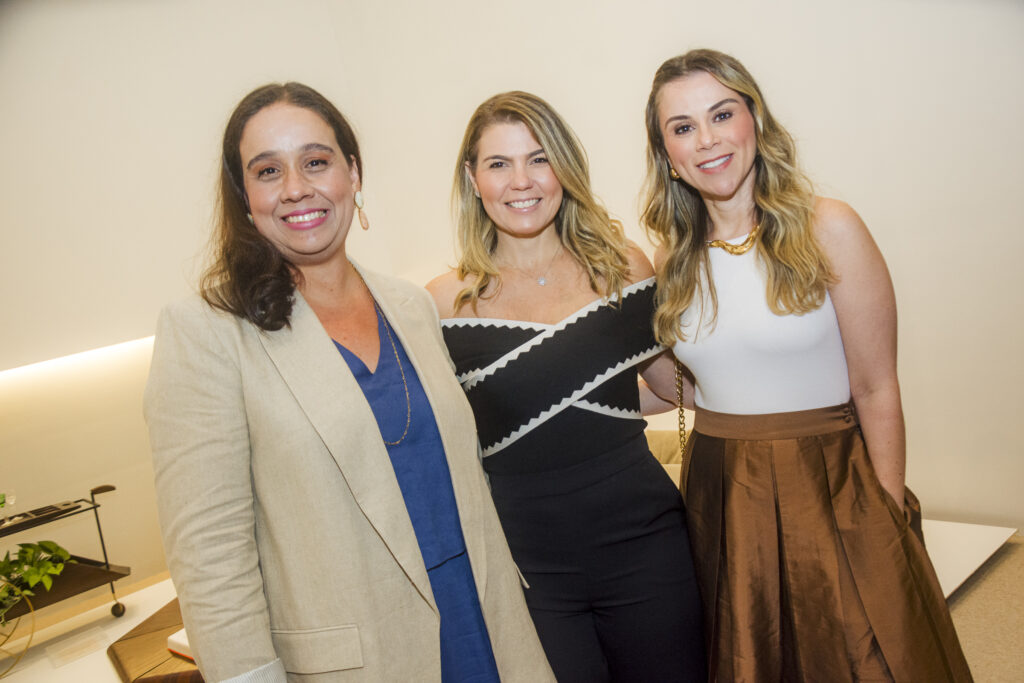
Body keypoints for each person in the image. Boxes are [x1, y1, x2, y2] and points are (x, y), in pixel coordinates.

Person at [143, 82, 554, 683]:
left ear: (352, 173)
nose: (295, 188)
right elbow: (210, 557)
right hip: (358, 663)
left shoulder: (411, 306)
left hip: (487, 629)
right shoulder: (205, 333)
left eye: (315, 161)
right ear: (244, 196)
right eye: (266, 171)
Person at [642, 49, 972, 682]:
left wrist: (887, 508)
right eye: (682, 127)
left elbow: (876, 386)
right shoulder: (672, 262)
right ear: (667, 155)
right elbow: (678, 387)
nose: (706, 140)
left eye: (721, 114)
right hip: (720, 491)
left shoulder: (830, 228)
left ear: (754, 122)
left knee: (865, 656)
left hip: (832, 479)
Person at [427, 91, 706, 683]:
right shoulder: (443, 303)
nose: (520, 181)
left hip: (647, 545)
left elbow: (668, 387)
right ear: (473, 179)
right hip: (529, 568)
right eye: (498, 163)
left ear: (564, 169)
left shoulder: (622, 267)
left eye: (538, 158)